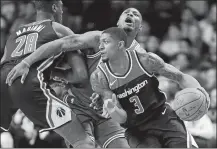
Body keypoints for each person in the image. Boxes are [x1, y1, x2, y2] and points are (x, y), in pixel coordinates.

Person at [6, 7, 147, 148]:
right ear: (118, 22)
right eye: (126, 12)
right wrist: (28, 62)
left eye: (136, 14)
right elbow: (60, 44)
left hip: (106, 114)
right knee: (84, 145)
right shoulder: (98, 38)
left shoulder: (142, 58)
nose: (130, 14)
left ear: (139, 27)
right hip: (77, 106)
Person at [89, 27, 211, 148]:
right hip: (137, 130)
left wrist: (201, 91)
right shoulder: (100, 77)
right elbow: (122, 119)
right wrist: (112, 109)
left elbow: (180, 77)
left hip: (163, 116)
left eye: (105, 42)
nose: (100, 47)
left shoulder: (144, 60)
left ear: (120, 44)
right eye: (100, 43)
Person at [1, 0, 95, 147]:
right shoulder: (59, 29)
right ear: (55, 7)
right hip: (26, 81)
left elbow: (4, 62)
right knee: (83, 141)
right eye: (62, 9)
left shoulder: (14, 32)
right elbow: (81, 74)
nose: (62, 13)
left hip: (3, 79)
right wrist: (59, 75)